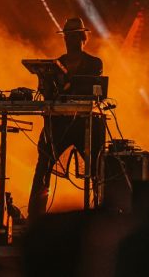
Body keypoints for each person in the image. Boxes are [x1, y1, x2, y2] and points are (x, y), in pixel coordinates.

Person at [27, 17, 105, 218]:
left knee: (96, 169)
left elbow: (89, 89)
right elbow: (48, 93)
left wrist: (67, 85)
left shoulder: (94, 63)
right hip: (59, 123)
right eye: (67, 37)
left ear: (82, 38)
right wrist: (44, 83)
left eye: (73, 36)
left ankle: (101, 213)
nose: (69, 41)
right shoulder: (57, 64)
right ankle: (35, 217)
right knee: (43, 165)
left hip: (84, 124)